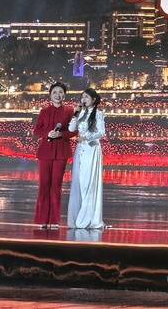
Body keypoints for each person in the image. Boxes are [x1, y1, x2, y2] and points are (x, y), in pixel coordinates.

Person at [32, 81, 77, 228]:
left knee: (56, 186)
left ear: (64, 95)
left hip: (61, 152)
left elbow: (74, 131)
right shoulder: (44, 111)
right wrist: (48, 133)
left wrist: (61, 134)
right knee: (44, 185)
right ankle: (42, 220)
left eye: (60, 92)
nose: (58, 95)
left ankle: (54, 220)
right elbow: (37, 131)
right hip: (45, 152)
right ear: (50, 95)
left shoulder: (70, 111)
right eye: (55, 92)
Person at [67, 87, 106, 230]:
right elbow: (71, 129)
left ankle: (88, 219)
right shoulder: (81, 113)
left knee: (88, 183)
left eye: (86, 97)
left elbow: (101, 132)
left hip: (92, 149)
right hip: (80, 150)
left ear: (93, 100)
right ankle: (78, 216)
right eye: (82, 97)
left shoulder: (99, 114)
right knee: (78, 182)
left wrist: (86, 137)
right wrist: (75, 114)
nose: (83, 99)